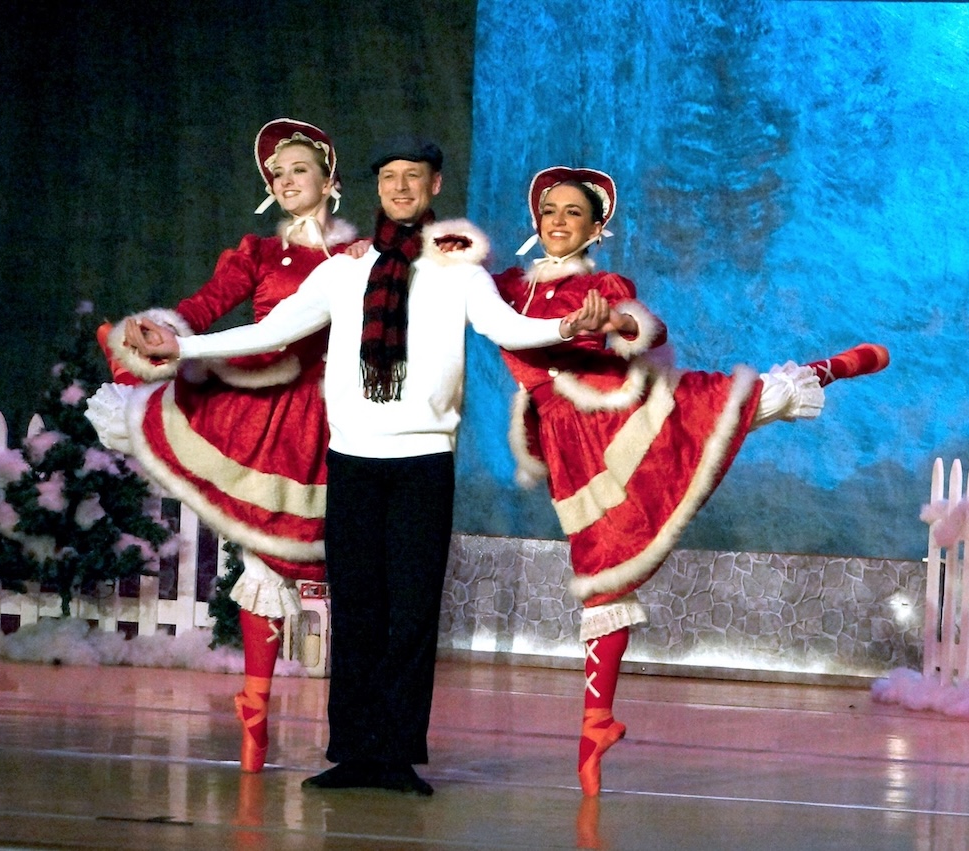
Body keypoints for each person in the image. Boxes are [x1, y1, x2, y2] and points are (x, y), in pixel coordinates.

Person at [122, 139, 615, 796]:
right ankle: (355, 752)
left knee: (410, 615)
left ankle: (397, 756)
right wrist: (183, 346)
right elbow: (272, 331)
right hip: (352, 462)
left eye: (414, 177)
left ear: (435, 185)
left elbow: (507, 327)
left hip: (422, 463)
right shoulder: (343, 272)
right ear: (376, 188)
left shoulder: (458, 271)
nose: (401, 188)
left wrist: (564, 328)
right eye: (389, 178)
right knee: (356, 611)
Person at [491, 166, 890, 796]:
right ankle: (596, 720)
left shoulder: (601, 284)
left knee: (728, 405)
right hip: (569, 441)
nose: (559, 221)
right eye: (550, 210)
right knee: (602, 567)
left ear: (596, 228)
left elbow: (643, 326)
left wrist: (613, 323)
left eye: (573, 212)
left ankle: (823, 370)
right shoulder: (507, 287)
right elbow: (451, 287)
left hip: (620, 412)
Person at [85, 118, 356, 775]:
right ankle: (255, 709)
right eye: (277, 174)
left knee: (350, 562)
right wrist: (156, 332)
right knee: (264, 560)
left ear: (330, 180)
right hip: (262, 411)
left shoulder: (360, 256)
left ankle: (359, 731)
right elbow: (204, 307)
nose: (285, 181)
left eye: (298, 169)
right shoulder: (258, 254)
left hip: (337, 414)